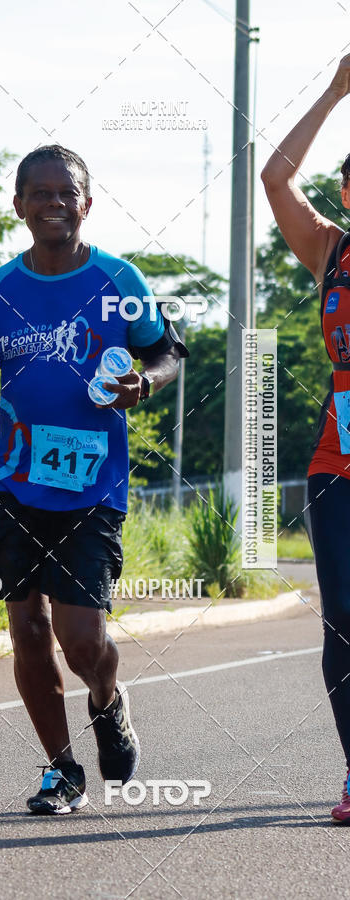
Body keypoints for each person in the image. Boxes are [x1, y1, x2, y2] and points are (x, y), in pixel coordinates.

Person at [0, 144, 188, 815]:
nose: (53, 203)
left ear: (87, 201)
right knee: (26, 630)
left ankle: (107, 701)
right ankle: (60, 771)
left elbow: (164, 351)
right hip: (13, 484)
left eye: (66, 192)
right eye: (39, 194)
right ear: (19, 206)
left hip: (92, 487)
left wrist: (145, 382)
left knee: (83, 643)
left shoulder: (117, 278)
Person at [262, 54, 350, 823]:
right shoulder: (332, 252)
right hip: (338, 468)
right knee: (346, 618)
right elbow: (276, 181)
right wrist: (335, 92)